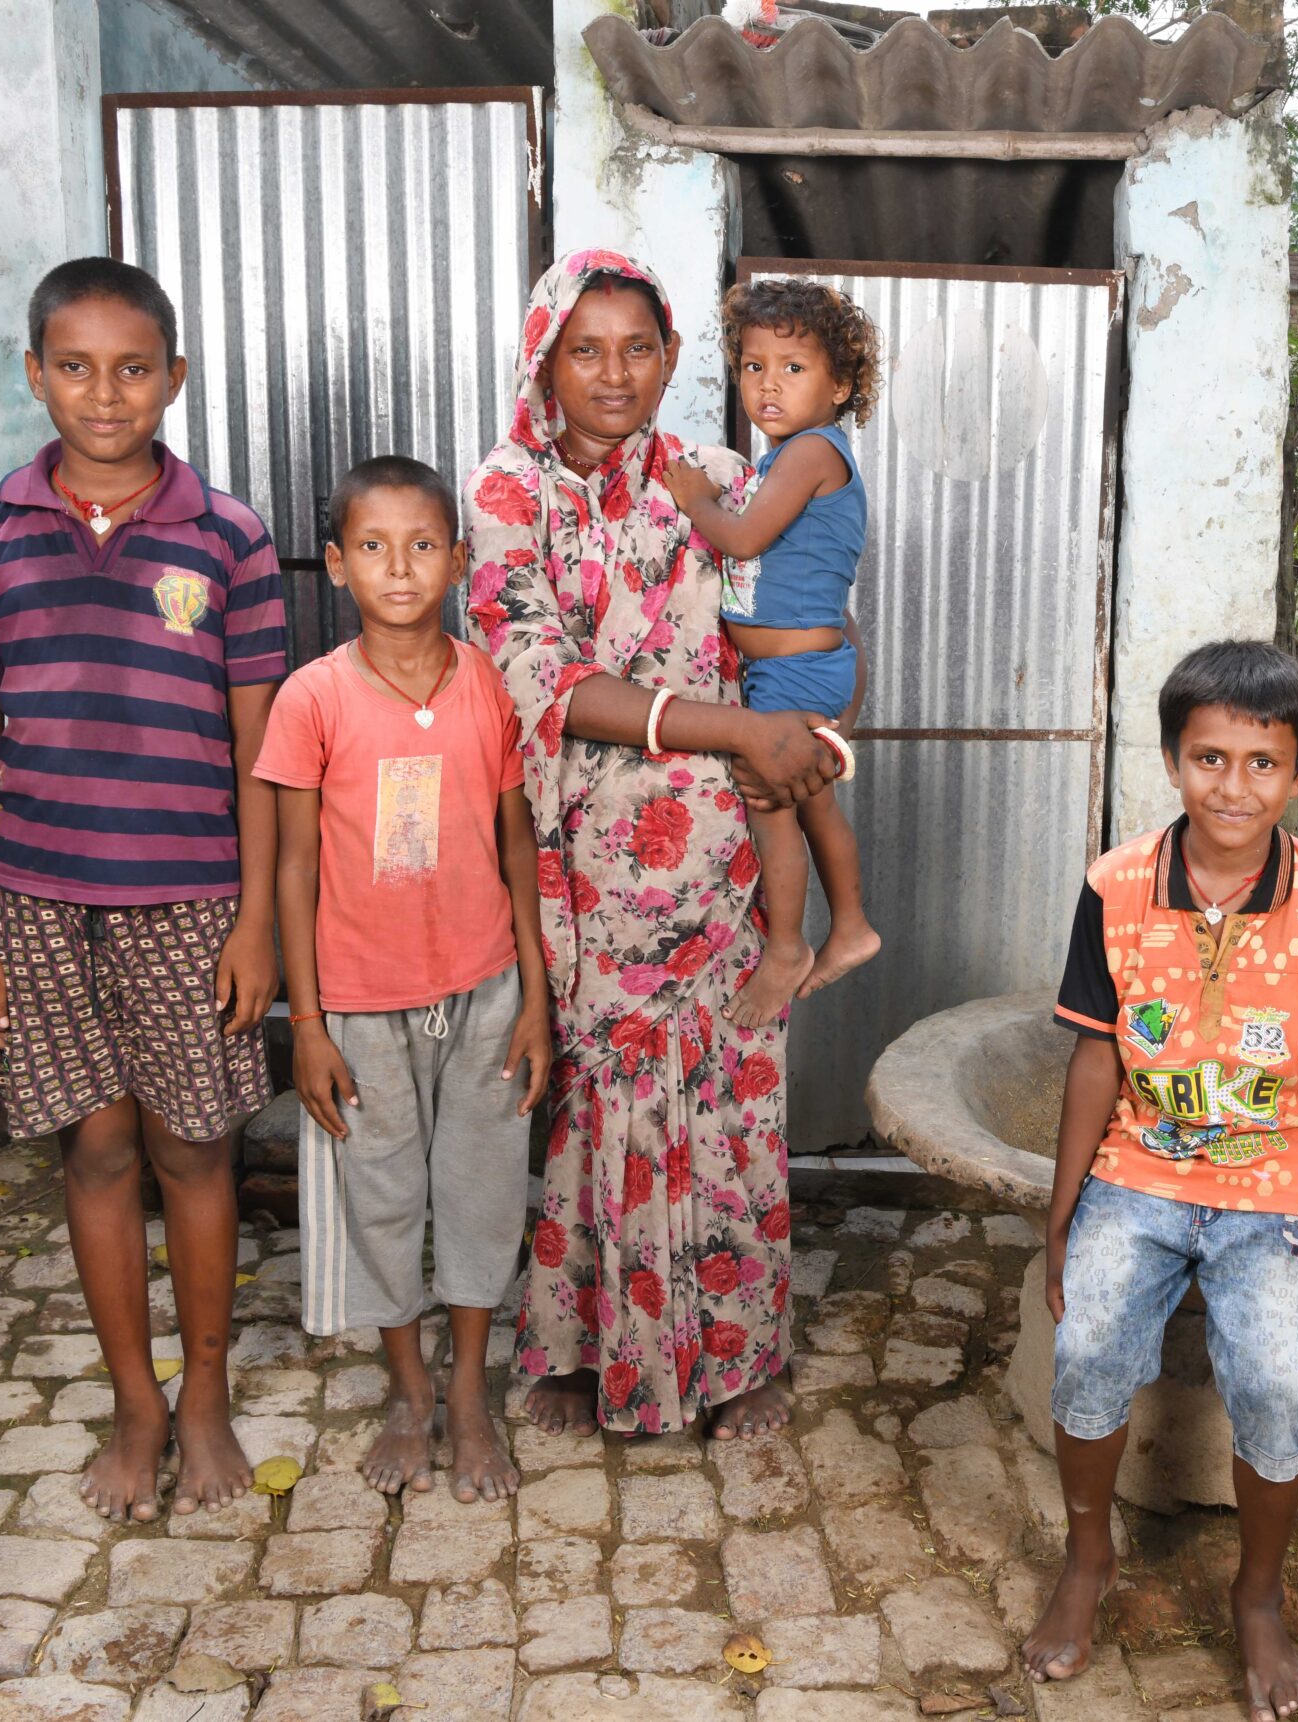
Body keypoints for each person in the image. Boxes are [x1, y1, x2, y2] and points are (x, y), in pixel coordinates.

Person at [465, 250, 840, 1440]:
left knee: (730, 1104)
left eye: (639, 348)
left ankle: (741, 1362)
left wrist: (800, 720)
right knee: (599, 1109)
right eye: (586, 349)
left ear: (673, 358)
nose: (614, 373)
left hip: (726, 854)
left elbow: (785, 622)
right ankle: (585, 1354)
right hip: (587, 867)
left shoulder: (717, 477)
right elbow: (535, 674)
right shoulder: (507, 493)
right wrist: (726, 722)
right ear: (544, 361)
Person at [0, 257, 284, 1521]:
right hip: (38, 901)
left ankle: (204, 1398)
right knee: (95, 1151)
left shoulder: (228, 536)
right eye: (74, 367)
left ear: (173, 380)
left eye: (133, 368)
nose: (104, 394)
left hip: (194, 901)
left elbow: (263, 749)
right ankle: (133, 1404)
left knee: (196, 1148)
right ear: (35, 373)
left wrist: (257, 916)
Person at [1023, 640, 1298, 1722]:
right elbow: (1095, 1055)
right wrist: (1062, 1210)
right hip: (1138, 1165)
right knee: (1085, 1344)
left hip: (1274, 1178)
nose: (1235, 787)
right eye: (1210, 759)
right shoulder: (1115, 885)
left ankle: (1258, 1597)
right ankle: (1088, 1561)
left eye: (1261, 763)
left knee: (1275, 1381)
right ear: (1174, 761)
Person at [257, 455, 552, 1503]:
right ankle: (406, 1388)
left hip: (484, 993)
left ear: (460, 563)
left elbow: (518, 847)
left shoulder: (489, 689)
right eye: (374, 547)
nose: (399, 567)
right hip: (361, 1006)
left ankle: (469, 1393)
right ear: (335, 565)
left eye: (423, 545)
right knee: (381, 1200)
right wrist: (307, 1022)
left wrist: (537, 1004)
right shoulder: (312, 698)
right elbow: (293, 866)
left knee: (477, 1197)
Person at [663, 279, 882, 1026]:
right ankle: (849, 926)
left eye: (792, 367)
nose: (768, 384)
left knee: (773, 813)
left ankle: (787, 946)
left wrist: (695, 500)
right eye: (753, 366)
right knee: (813, 805)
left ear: (842, 384)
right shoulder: (787, 458)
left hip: (791, 674)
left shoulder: (811, 453)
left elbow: (747, 539)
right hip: (792, 668)